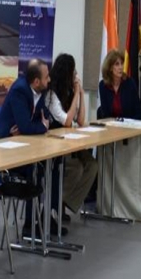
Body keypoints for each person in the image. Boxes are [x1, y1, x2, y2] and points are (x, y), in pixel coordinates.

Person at [0, 59, 61, 236]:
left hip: (24, 146)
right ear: (36, 81)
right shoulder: (20, 90)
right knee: (36, 168)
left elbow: (45, 118)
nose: (49, 80)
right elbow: (27, 126)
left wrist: (36, 126)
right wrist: (41, 127)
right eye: (46, 77)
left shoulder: (39, 91)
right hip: (5, 150)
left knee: (55, 163)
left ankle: (48, 215)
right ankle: (30, 224)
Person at [45, 54, 98, 220]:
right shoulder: (51, 94)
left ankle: (65, 202)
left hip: (70, 143)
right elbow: (67, 121)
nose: (75, 75)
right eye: (73, 71)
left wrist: (80, 93)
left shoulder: (68, 92)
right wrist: (75, 95)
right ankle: (55, 205)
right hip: (55, 145)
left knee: (92, 165)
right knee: (76, 168)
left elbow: (80, 120)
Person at [99, 49, 141, 119]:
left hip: (129, 124)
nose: (121, 67)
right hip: (111, 124)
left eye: (122, 63)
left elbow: (138, 112)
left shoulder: (130, 83)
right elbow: (105, 114)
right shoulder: (103, 85)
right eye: (117, 64)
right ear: (110, 68)